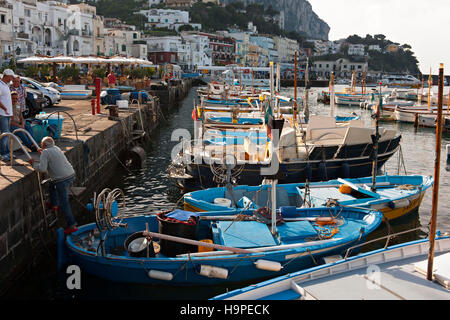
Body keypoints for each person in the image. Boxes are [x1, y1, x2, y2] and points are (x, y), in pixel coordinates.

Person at [28, 136, 78, 235]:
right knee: (52, 183)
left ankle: (72, 225)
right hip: (71, 174)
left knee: (64, 203)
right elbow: (52, 158)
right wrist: (43, 154)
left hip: (61, 180)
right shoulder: (57, 148)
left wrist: (33, 164)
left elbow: (42, 169)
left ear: (43, 145)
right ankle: (54, 204)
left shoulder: (45, 152)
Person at [0, 69, 15, 161]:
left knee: (7, 134)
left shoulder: (5, 85)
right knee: (4, 134)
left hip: (7, 114)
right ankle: (4, 153)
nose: (12, 78)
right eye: (11, 77)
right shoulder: (0, 85)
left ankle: (7, 152)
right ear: (7, 76)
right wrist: (5, 109)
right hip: (2, 114)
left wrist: (10, 112)